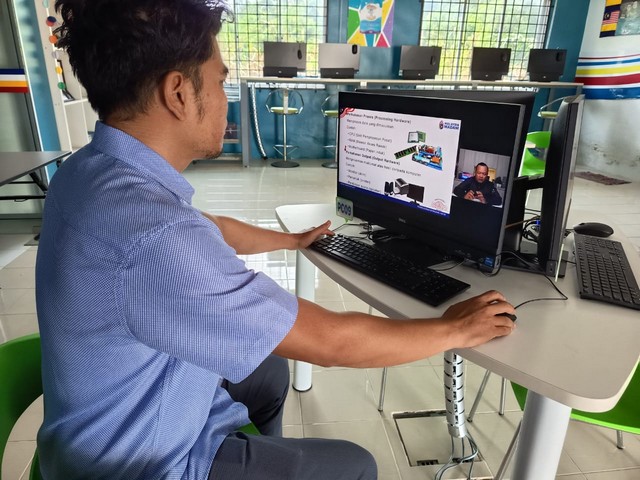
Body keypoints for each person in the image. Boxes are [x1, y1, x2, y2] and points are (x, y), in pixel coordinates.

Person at [34, 1, 516, 479]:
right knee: (354, 466)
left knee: (268, 372)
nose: (224, 97)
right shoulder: (156, 234)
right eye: (220, 81)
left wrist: (291, 242)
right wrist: (452, 330)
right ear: (178, 93)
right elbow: (330, 342)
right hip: (141, 462)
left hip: (109, 416)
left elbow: (211, 227)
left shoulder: (94, 172)